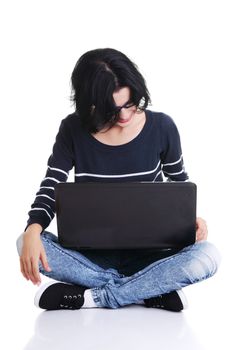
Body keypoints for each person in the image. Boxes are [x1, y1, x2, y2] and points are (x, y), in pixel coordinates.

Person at [16, 48, 221, 312]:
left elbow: (179, 186)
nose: (124, 116)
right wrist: (33, 229)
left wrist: (192, 221)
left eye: (130, 104)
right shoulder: (72, 129)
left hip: (152, 258)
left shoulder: (162, 127)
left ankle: (97, 297)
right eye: (112, 110)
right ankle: (146, 292)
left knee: (208, 256)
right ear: (90, 105)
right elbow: (51, 183)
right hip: (91, 258)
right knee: (25, 242)